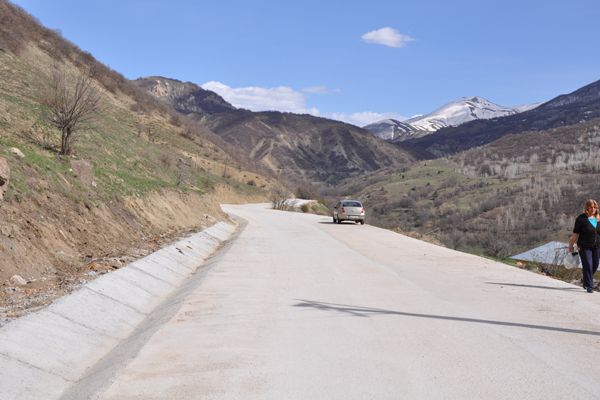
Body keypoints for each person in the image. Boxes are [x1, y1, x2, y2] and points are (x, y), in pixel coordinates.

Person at [568, 199, 600, 293]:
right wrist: (571, 245)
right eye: (591, 207)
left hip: (597, 246)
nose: (593, 209)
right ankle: (589, 286)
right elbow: (576, 234)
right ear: (587, 207)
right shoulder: (581, 219)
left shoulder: (598, 219)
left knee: (595, 265)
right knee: (588, 265)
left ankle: (585, 280)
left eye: (595, 207)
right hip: (584, 246)